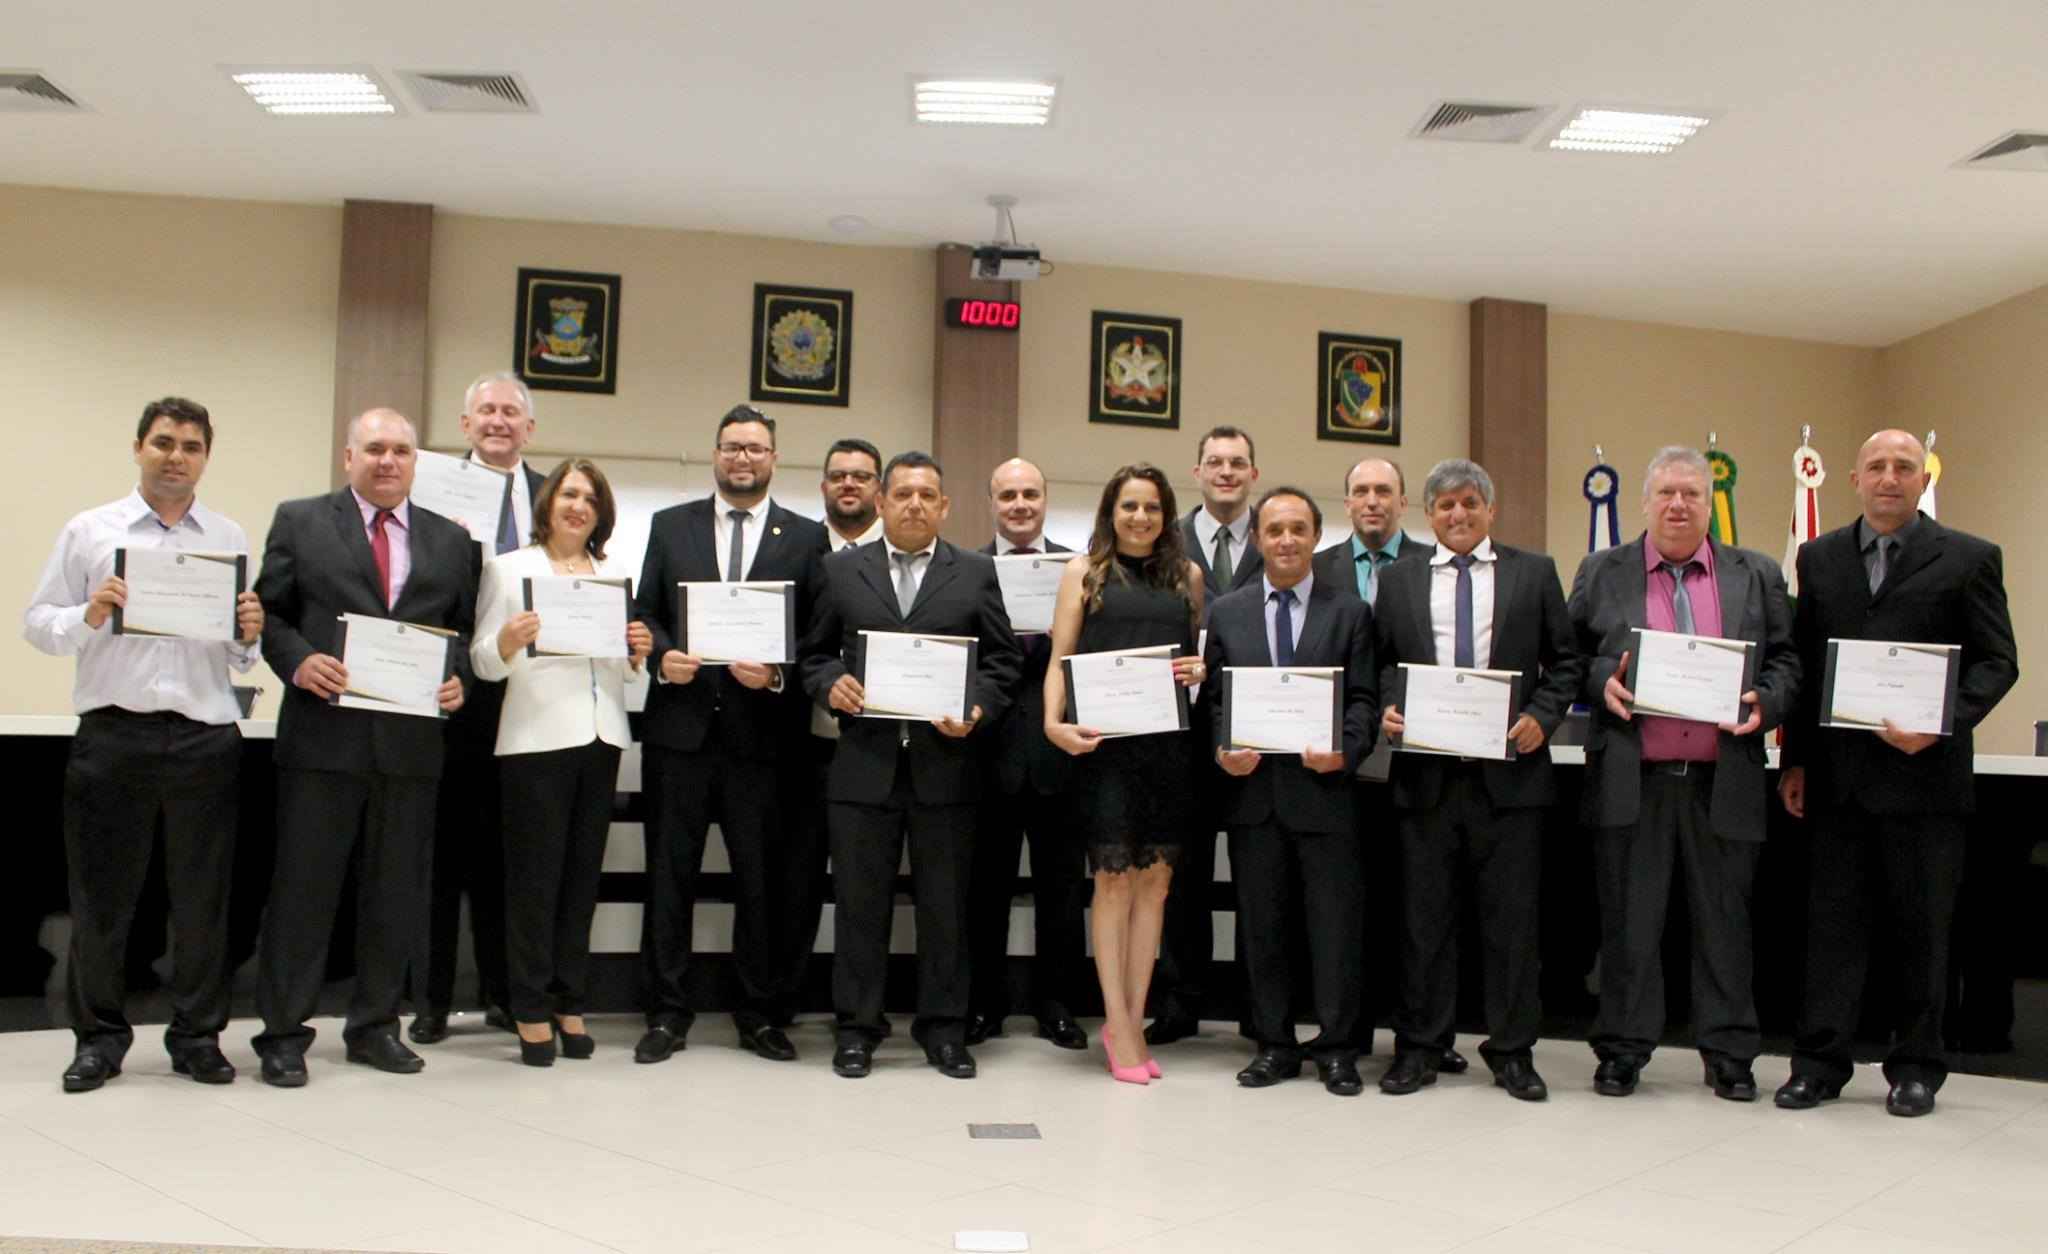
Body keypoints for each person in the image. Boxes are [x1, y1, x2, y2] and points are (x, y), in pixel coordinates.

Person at [23, 397, 264, 1092]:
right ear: (138, 448)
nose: (176, 456)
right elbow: (38, 624)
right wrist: (90, 611)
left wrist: (248, 632)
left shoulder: (228, 535)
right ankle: (98, 1039)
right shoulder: (90, 530)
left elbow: (240, 656)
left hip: (204, 737)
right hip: (114, 734)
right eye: (163, 442)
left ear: (205, 458)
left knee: (204, 902)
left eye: (191, 446)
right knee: (103, 900)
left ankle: (198, 1037)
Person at [1775, 429, 2018, 1118]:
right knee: (1831, 932)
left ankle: (1915, 1069)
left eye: (1903, 467)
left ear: (1923, 478)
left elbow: (1998, 661)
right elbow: (1807, 663)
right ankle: (1818, 1065)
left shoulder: (1970, 558)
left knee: (1922, 934)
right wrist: (1795, 758)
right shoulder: (1820, 557)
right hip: (1839, 783)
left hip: (1926, 784)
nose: (1889, 477)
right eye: (1877, 466)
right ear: (1855, 479)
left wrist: (1941, 720)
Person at [250, 407, 478, 1087]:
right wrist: (298, 662)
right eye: (374, 449)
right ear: (349, 457)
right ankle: (283, 1035)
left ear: (416, 462)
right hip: (323, 741)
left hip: (410, 748)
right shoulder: (300, 521)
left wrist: (458, 680)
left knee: (395, 894)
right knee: (303, 894)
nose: (388, 461)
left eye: (401, 450)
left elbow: (461, 632)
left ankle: (375, 1026)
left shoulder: (450, 540)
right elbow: (270, 613)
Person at [1569, 447, 1800, 1102]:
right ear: (1645, 502)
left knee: (1726, 927)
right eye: (1667, 493)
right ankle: (1621, 1050)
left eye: (1692, 494)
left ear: (1708, 504)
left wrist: (1767, 701)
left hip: (1722, 781)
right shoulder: (1601, 571)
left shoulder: (1756, 574)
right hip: (1632, 779)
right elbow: (1566, 656)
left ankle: (1729, 1054)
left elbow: (1788, 661)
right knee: (1629, 926)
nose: (1678, 504)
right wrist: (1599, 681)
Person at [798, 451, 1021, 1080]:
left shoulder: (975, 572)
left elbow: (1003, 661)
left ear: (944, 507)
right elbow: (813, 654)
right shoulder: (840, 570)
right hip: (862, 768)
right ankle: (857, 1029)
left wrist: (977, 706)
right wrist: (831, 683)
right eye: (903, 494)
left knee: (946, 910)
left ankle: (944, 1030)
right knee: (859, 908)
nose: (915, 505)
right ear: (882, 503)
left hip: (946, 768)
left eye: (927, 495)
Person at [1375, 458, 1582, 1101]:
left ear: (1491, 510)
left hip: (1511, 781)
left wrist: (1542, 716)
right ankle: (1420, 1047)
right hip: (1426, 780)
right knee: (1423, 924)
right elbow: (1380, 663)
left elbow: (1566, 663)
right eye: (1445, 505)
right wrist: (1387, 706)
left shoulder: (1534, 572)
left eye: (1470, 503)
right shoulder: (1399, 579)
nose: (1458, 514)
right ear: (1428, 515)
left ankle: (1513, 1051)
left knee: (1513, 926)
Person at [632, 405, 825, 1064]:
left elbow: (817, 635)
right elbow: (646, 612)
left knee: (761, 884)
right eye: (733, 447)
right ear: (716, 454)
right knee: (669, 879)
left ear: (774, 459)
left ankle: (759, 1013)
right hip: (679, 734)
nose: (743, 458)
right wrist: (661, 656)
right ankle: (666, 1012)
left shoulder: (806, 537)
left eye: (755, 448)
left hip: (763, 742)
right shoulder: (670, 525)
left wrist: (776, 674)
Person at [471, 459, 651, 1065]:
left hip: (601, 738)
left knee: (580, 884)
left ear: (601, 514)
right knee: (533, 885)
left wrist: (637, 653)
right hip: (534, 741)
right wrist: (507, 641)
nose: (578, 506)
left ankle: (569, 999)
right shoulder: (508, 568)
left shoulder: (613, 576)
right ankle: (528, 1007)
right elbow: (482, 662)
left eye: (591, 499)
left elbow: (622, 669)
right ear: (548, 503)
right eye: (569, 494)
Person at [1204, 487, 1376, 1096]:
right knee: (1262, 930)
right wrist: (1222, 749)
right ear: (1257, 538)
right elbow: (1214, 701)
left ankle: (1337, 1048)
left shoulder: (1349, 612)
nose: (1285, 540)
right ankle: (1273, 1045)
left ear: (1316, 537)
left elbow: (1363, 700)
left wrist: (1345, 751)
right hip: (1255, 800)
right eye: (1274, 529)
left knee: (1335, 932)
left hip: (1326, 797)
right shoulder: (1228, 612)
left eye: (1298, 529)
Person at [1044, 463, 1207, 1084]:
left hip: (1168, 751)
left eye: (1152, 507)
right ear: (1111, 512)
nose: (1141, 517)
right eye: (1129, 506)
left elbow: (1196, 659)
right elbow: (1060, 659)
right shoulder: (1083, 572)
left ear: (1167, 516)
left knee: (1155, 888)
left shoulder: (1188, 576)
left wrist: (1199, 670)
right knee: (1113, 886)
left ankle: (1131, 1022)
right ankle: (1116, 1020)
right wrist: (1052, 724)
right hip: (1105, 753)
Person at [414, 371, 545, 1046]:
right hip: (452, 692)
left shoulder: (553, 495)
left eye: (510, 412)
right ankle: (432, 999)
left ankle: (502, 992)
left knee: (509, 852)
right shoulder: (427, 491)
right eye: (486, 411)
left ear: (530, 428)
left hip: (528, 693)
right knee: (442, 853)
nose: (498, 421)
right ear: (465, 425)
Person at [966, 458, 1088, 1051]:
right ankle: (983, 1006)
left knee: (1061, 891)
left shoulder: (1079, 570)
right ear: (991, 501)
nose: (1019, 504)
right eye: (1008, 494)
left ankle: (1058, 1006)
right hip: (984, 754)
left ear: (1045, 499)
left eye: (1030, 494)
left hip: (1059, 755)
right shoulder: (966, 570)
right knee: (983, 891)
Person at [1149, 426, 1262, 1046]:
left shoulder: (1278, 536)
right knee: (1181, 880)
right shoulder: (1162, 539)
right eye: (1215, 462)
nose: (1226, 471)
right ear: (1196, 472)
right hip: (1181, 741)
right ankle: (1178, 1001)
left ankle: (1260, 1006)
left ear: (1253, 474)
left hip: (1255, 738)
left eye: (1237, 462)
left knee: (1259, 879)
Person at [782, 438, 888, 1021]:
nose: (849, 484)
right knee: (794, 880)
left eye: (861, 476)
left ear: (879, 489)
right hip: (801, 746)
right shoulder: (797, 549)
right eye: (839, 475)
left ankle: (865, 1011)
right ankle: (782, 1007)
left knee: (866, 888)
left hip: (881, 751)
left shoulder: (902, 553)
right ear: (823, 486)